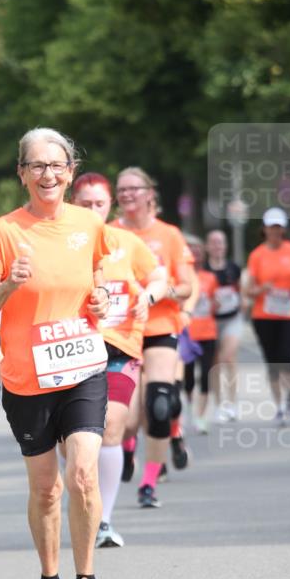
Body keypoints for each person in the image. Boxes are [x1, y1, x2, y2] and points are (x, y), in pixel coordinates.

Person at [0, 127, 112, 579]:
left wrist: (102, 298)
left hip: (82, 368)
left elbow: (99, 284)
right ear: (22, 174)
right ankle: (49, 578)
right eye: (37, 166)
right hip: (26, 376)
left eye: (57, 165)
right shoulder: (3, 232)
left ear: (70, 173)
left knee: (84, 475)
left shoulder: (89, 226)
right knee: (46, 488)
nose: (47, 174)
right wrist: (9, 283)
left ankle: (88, 578)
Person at [71, 172, 167, 546]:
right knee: (76, 445)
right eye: (85, 204)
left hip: (119, 347)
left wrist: (149, 296)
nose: (93, 210)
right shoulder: (62, 244)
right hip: (73, 348)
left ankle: (104, 521)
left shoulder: (126, 242)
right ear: (72, 204)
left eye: (100, 204)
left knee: (111, 425)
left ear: (109, 205)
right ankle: (85, 502)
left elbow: (158, 276)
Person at [111, 167, 196, 508]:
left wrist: (166, 292)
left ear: (150, 194)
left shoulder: (169, 235)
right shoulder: (108, 233)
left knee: (160, 405)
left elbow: (187, 285)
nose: (128, 194)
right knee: (126, 421)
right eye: (122, 189)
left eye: (135, 188)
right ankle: (128, 446)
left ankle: (148, 484)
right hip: (119, 331)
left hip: (160, 328)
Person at [245, 207, 290, 423]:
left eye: (278, 227)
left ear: (284, 229)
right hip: (264, 314)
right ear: (264, 229)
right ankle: (279, 405)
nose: (275, 231)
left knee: (287, 357)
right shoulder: (257, 255)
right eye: (271, 227)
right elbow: (249, 290)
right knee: (272, 360)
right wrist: (262, 289)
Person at [206, 229, 243, 422]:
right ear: (207, 246)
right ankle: (219, 404)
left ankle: (232, 403)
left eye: (220, 242)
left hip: (232, 319)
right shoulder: (204, 269)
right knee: (215, 362)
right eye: (213, 242)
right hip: (211, 321)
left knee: (227, 357)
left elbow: (240, 289)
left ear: (225, 246)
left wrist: (242, 302)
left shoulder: (233, 268)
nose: (217, 246)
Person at [183, 237, 219, 433]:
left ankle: (201, 416)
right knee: (188, 377)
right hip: (187, 333)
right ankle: (189, 410)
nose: (195, 253)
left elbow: (215, 304)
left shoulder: (210, 278)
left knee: (206, 374)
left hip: (208, 332)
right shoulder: (180, 277)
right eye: (191, 249)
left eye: (198, 249)